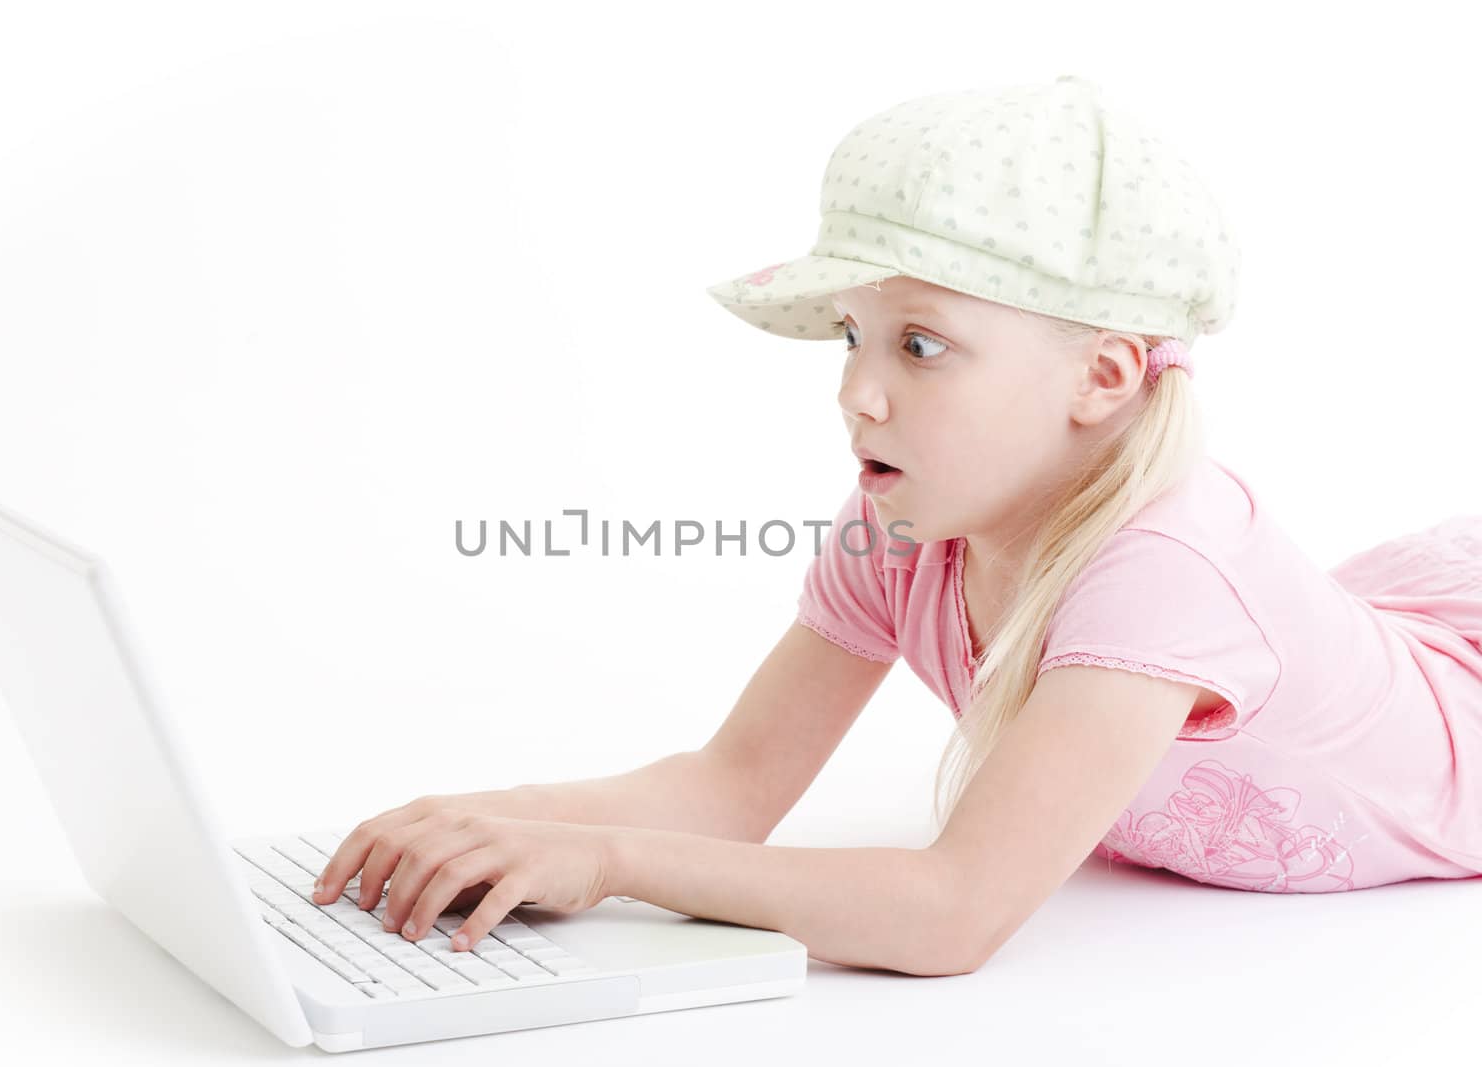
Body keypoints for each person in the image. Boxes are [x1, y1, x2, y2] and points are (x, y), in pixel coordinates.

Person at [311, 76, 1482, 975]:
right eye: (851, 337)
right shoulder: (904, 522)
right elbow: (730, 784)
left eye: (920, 345)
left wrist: (609, 860)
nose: (857, 392)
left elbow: (952, 912)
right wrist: (484, 824)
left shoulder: (1164, 572)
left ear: (1106, 373)